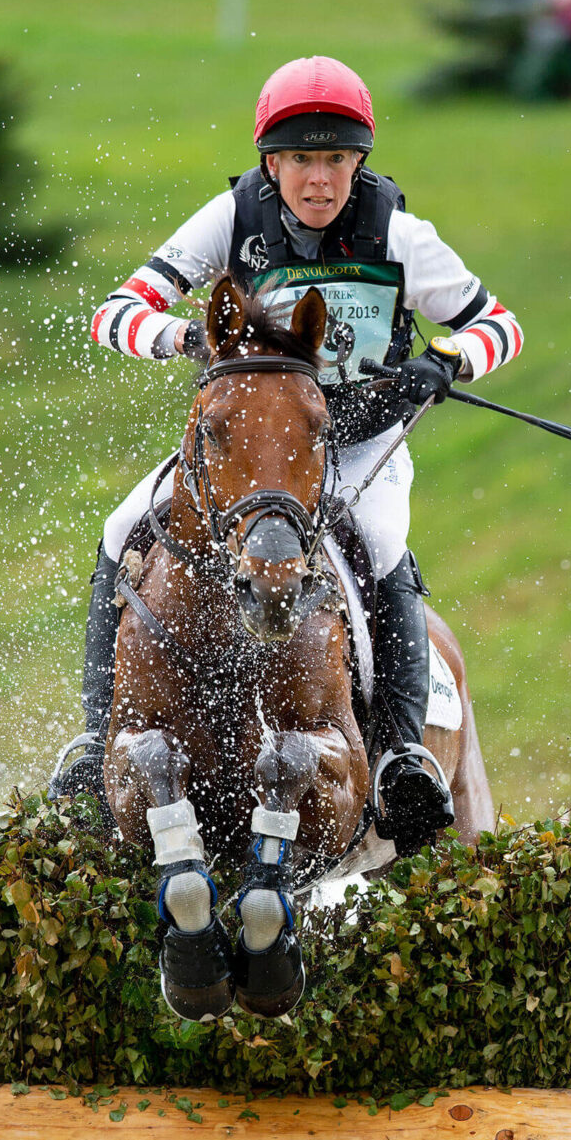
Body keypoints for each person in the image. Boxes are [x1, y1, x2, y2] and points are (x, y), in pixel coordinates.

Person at [52, 55, 523, 862]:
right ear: (272, 164)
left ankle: (403, 752)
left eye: (335, 159)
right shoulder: (229, 219)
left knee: (377, 547)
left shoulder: (399, 235)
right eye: (302, 160)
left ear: (358, 164)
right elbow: (115, 312)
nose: (319, 179)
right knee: (119, 525)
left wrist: (445, 360)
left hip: (358, 444)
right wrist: (179, 335)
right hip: (246, 454)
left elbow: (500, 325)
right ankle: (96, 744)